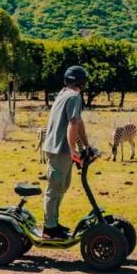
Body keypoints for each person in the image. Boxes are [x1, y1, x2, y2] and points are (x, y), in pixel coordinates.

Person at [40, 65, 93, 239]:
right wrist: (72, 149)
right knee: (54, 188)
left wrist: (85, 145)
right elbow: (73, 123)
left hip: (57, 148)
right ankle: (49, 228)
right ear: (80, 81)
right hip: (60, 149)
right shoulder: (74, 96)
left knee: (61, 186)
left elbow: (79, 121)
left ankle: (53, 223)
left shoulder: (64, 93)